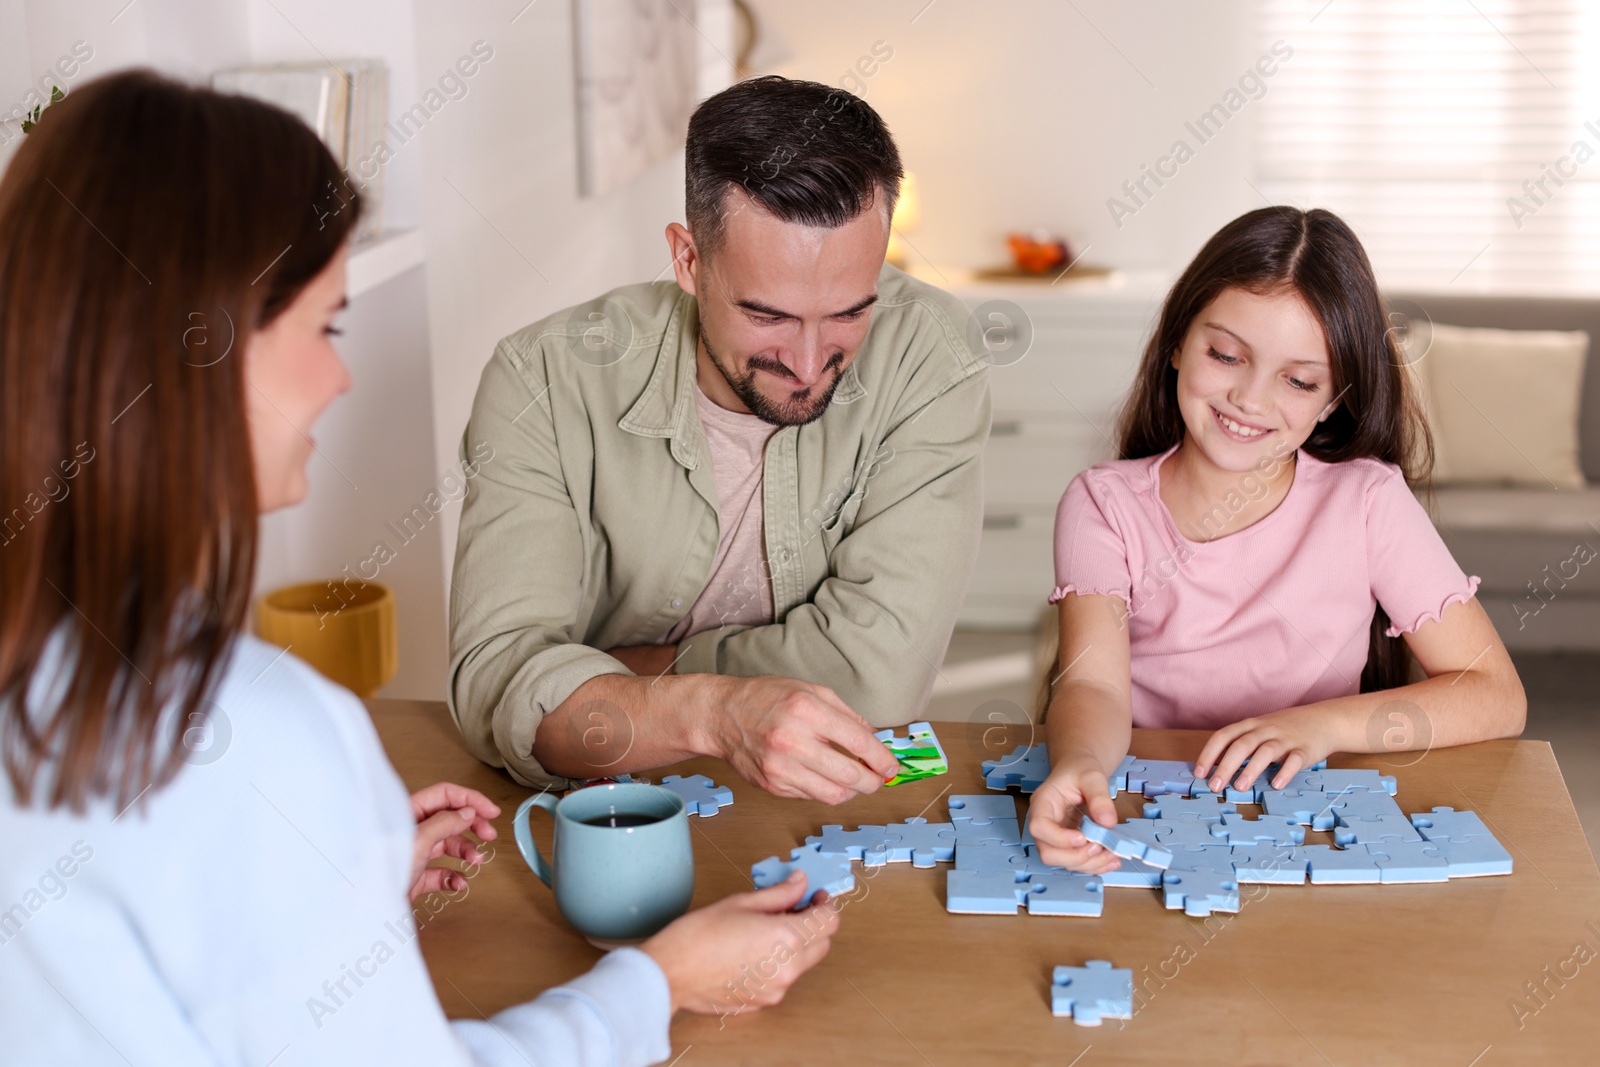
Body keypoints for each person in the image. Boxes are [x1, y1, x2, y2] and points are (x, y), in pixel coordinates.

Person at [0, 70, 837, 1066]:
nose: (341, 375)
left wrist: (315, 884)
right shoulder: (264, 734)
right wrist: (660, 982)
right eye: (326, 327)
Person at [449, 75, 990, 803]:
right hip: (609, 805)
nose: (807, 363)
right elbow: (499, 688)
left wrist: (625, 675)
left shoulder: (933, 351)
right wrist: (717, 710)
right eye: (769, 316)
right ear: (688, 260)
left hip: (816, 802)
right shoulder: (541, 377)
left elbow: (878, 680)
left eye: (848, 312)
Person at [1027, 207, 1527, 872]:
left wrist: (1321, 723)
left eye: (1297, 380)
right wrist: (1081, 762)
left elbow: (1494, 692)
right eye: (1227, 355)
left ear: (1332, 400)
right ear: (1177, 344)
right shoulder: (1104, 503)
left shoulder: (1368, 502)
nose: (1249, 398)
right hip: (1142, 816)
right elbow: (1096, 688)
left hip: (1314, 823)